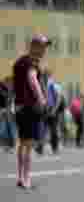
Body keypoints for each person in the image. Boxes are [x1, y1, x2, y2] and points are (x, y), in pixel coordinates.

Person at [12, 35, 51, 188]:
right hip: (30, 107)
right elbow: (32, 79)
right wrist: (41, 98)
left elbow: (14, 83)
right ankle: (26, 178)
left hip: (20, 106)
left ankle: (21, 177)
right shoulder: (31, 62)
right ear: (33, 46)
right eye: (41, 47)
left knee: (22, 143)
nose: (44, 50)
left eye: (45, 47)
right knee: (28, 144)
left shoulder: (19, 62)